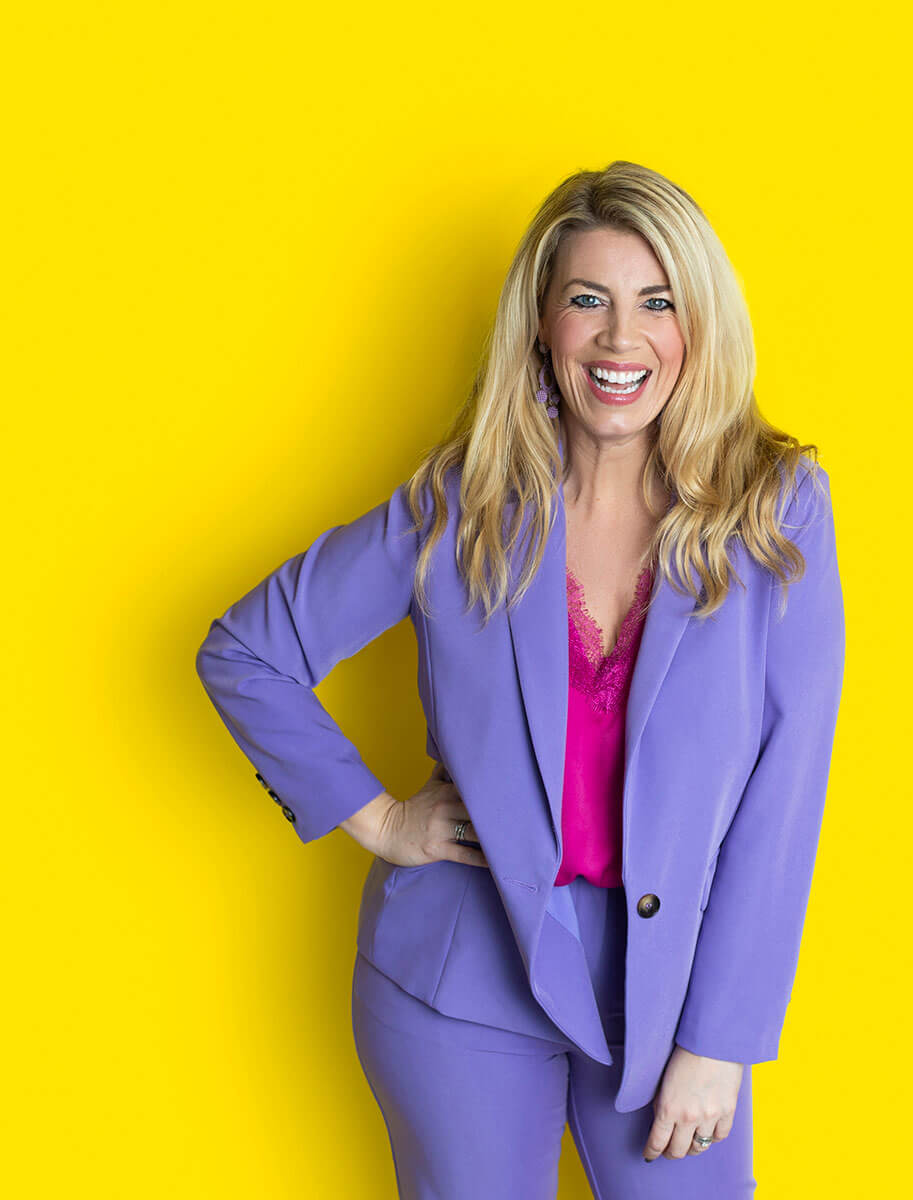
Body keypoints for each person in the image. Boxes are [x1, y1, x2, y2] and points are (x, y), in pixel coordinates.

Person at [195, 159, 846, 1198]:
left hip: (672, 988)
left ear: (699, 325)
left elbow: (787, 784)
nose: (621, 339)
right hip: (460, 983)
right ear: (542, 325)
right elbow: (246, 650)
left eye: (657, 303)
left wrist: (720, 1037)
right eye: (588, 300)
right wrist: (380, 820)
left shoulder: (774, 508)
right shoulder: (460, 507)